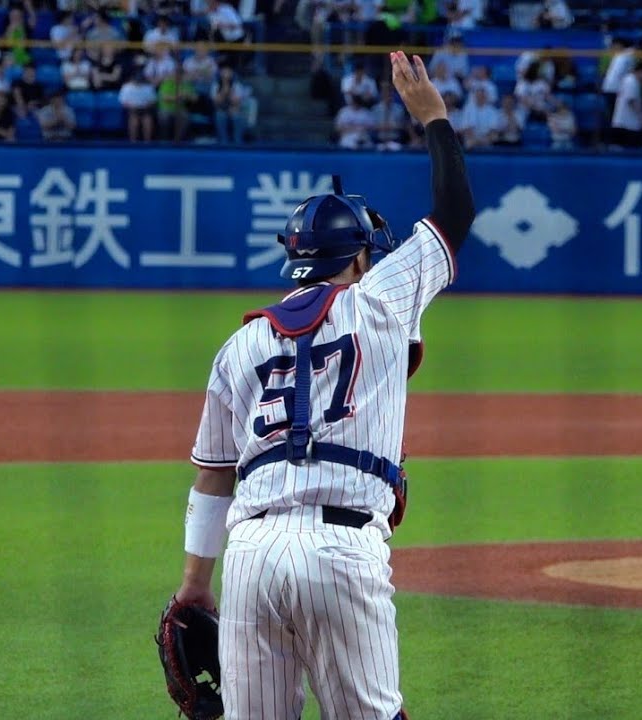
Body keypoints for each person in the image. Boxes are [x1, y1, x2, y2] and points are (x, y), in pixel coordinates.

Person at [170, 50, 475, 720]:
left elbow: (212, 479)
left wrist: (194, 585)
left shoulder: (239, 345)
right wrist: (434, 117)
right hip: (342, 550)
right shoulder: (380, 301)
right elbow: (454, 213)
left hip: (250, 558)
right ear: (360, 258)